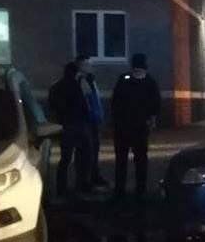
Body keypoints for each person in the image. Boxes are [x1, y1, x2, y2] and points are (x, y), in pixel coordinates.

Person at [111, 53, 160, 197]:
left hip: (124, 126)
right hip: (139, 126)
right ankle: (140, 189)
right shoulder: (149, 81)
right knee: (140, 159)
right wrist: (152, 119)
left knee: (122, 159)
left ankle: (120, 190)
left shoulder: (124, 79)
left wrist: (115, 120)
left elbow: (115, 102)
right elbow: (155, 103)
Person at [49, 61, 93, 197]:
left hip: (64, 125)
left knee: (65, 158)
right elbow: (83, 106)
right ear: (76, 72)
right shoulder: (76, 86)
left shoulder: (56, 86)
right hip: (78, 125)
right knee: (83, 156)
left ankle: (61, 188)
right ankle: (82, 184)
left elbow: (52, 106)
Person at [76, 56, 109, 190]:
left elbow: (95, 99)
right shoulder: (80, 80)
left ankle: (94, 176)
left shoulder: (90, 79)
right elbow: (86, 102)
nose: (90, 67)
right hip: (86, 121)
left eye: (90, 65)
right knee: (86, 151)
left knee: (94, 150)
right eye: (86, 65)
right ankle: (85, 181)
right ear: (80, 66)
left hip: (94, 120)